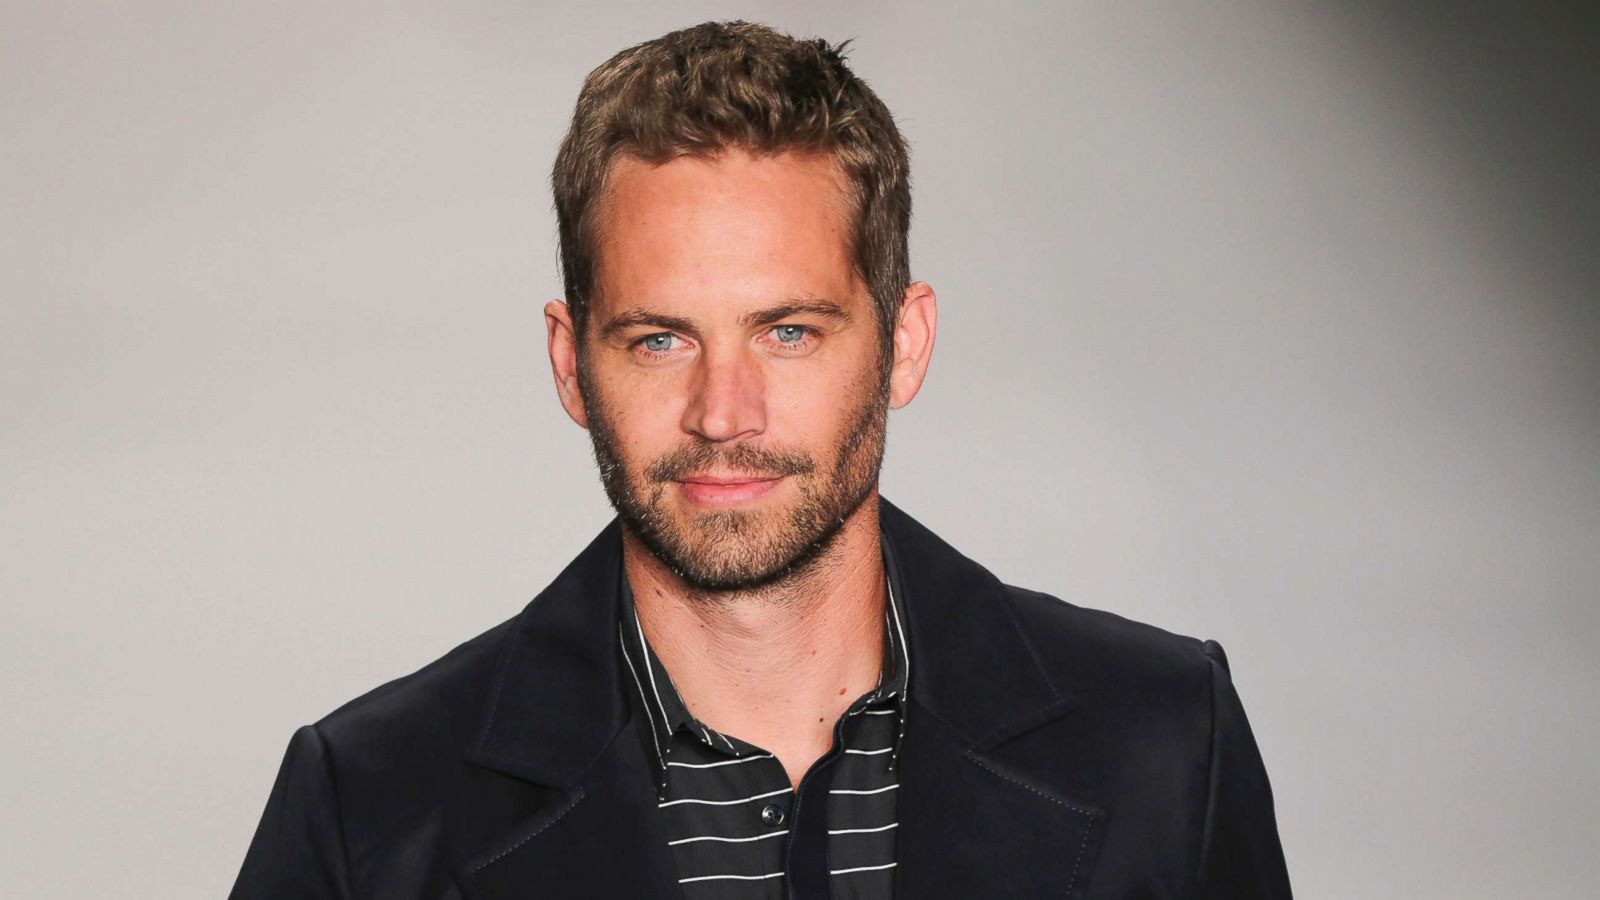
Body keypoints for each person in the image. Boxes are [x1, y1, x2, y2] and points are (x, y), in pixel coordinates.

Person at [231, 20, 1291, 899]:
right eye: (660, 338)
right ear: (571, 365)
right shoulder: (372, 810)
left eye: (787, 331)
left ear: (903, 344)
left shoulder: (1160, 740)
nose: (720, 412)